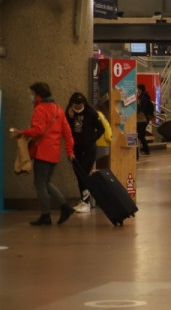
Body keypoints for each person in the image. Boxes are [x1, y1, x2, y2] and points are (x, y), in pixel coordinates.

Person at [11, 82, 75, 226]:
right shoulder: (58, 109)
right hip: (54, 153)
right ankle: (65, 207)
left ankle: (47, 215)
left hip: (42, 152)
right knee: (45, 183)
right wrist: (69, 151)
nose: (31, 96)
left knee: (39, 183)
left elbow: (37, 130)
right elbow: (67, 133)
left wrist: (22, 132)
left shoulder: (40, 109)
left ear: (38, 95)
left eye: (32, 94)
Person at [66, 93, 105, 214]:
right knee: (79, 174)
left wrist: (91, 139)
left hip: (88, 148)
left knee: (84, 173)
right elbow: (66, 130)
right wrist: (69, 118)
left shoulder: (91, 112)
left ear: (84, 103)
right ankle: (83, 201)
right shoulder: (69, 113)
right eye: (75, 106)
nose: (78, 108)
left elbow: (101, 129)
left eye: (80, 105)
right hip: (75, 148)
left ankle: (87, 203)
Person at [136, 83, 155, 157]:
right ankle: (144, 149)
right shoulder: (143, 96)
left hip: (143, 118)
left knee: (141, 134)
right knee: (140, 134)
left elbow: (143, 107)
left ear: (140, 89)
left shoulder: (143, 97)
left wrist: (138, 109)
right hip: (144, 118)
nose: (137, 90)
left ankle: (146, 150)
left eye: (137, 89)